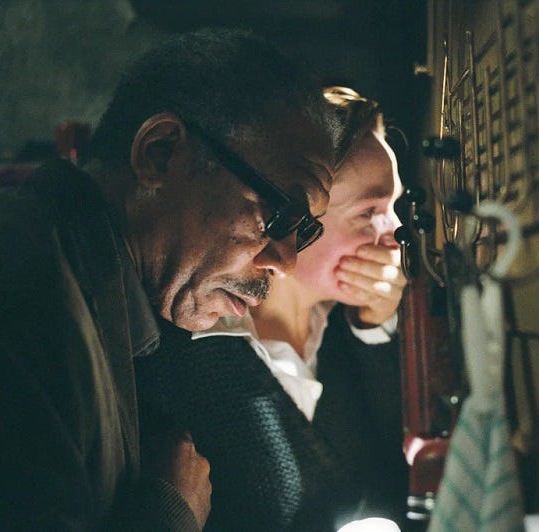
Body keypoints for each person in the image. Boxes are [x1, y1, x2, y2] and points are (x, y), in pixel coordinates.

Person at [0, 28, 335, 530]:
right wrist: (170, 512)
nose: (285, 263)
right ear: (160, 153)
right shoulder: (13, 293)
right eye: (281, 215)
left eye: (305, 231)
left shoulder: (97, 288)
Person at [134, 87, 409, 531]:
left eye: (394, 205)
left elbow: (395, 479)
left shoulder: (346, 326)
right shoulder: (185, 345)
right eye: (369, 212)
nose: (396, 232)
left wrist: (375, 330)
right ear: (300, 213)